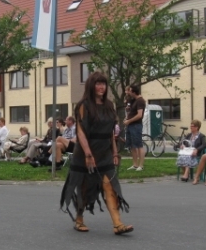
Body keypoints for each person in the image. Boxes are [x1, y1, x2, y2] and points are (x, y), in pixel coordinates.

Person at [60, 72, 133, 235]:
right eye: (98, 84)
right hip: (85, 153)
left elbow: (110, 132)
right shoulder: (83, 105)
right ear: (91, 86)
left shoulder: (109, 105)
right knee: (85, 188)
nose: (101, 87)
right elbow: (80, 132)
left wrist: (114, 152)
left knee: (110, 186)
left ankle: (117, 224)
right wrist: (87, 154)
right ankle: (79, 219)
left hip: (104, 152)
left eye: (103, 84)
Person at [124, 84, 146, 171]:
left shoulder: (140, 101)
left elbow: (139, 115)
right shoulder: (134, 100)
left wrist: (129, 121)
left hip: (136, 125)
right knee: (132, 145)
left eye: (130, 91)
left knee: (138, 145)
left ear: (134, 92)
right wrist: (127, 118)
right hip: (130, 125)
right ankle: (135, 164)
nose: (128, 92)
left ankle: (141, 165)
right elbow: (131, 111)